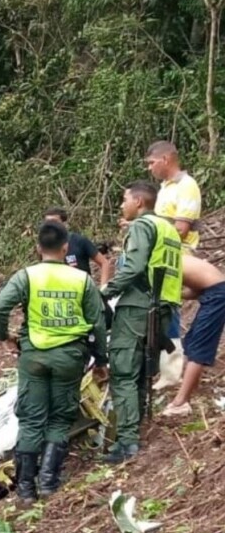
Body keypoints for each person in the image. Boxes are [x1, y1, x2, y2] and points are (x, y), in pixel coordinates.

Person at [0, 220, 107, 503]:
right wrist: (101, 358)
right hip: (69, 357)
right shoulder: (81, 279)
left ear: (38, 247)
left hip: (34, 357)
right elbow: (98, 322)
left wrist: (4, 337)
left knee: (31, 420)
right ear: (66, 247)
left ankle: (26, 490)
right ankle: (49, 482)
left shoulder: (26, 276)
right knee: (59, 417)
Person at [101, 181, 182, 463]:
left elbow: (134, 268)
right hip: (164, 307)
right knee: (140, 371)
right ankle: (134, 433)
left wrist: (106, 292)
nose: (122, 205)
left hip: (139, 306)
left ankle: (127, 442)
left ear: (138, 201)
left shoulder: (141, 227)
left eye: (124, 199)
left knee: (124, 371)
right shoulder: (168, 228)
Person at [146, 141, 202, 389]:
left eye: (151, 162)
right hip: (161, 255)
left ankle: (172, 372)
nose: (150, 168)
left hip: (176, 255)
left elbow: (180, 228)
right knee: (159, 309)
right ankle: (163, 367)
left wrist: (150, 226)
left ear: (166, 159)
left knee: (169, 308)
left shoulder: (186, 186)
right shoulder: (165, 188)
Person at [161, 256, 225, 416]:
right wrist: (177, 293)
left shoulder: (162, 260)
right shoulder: (173, 257)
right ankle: (190, 393)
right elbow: (195, 290)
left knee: (199, 347)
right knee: (191, 342)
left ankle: (180, 403)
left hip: (218, 294)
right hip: (213, 292)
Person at [43, 207, 112, 286]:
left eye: (55, 222)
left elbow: (104, 263)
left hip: (83, 291)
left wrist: (103, 289)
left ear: (64, 223)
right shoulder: (45, 245)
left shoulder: (78, 241)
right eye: (47, 223)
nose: (51, 226)